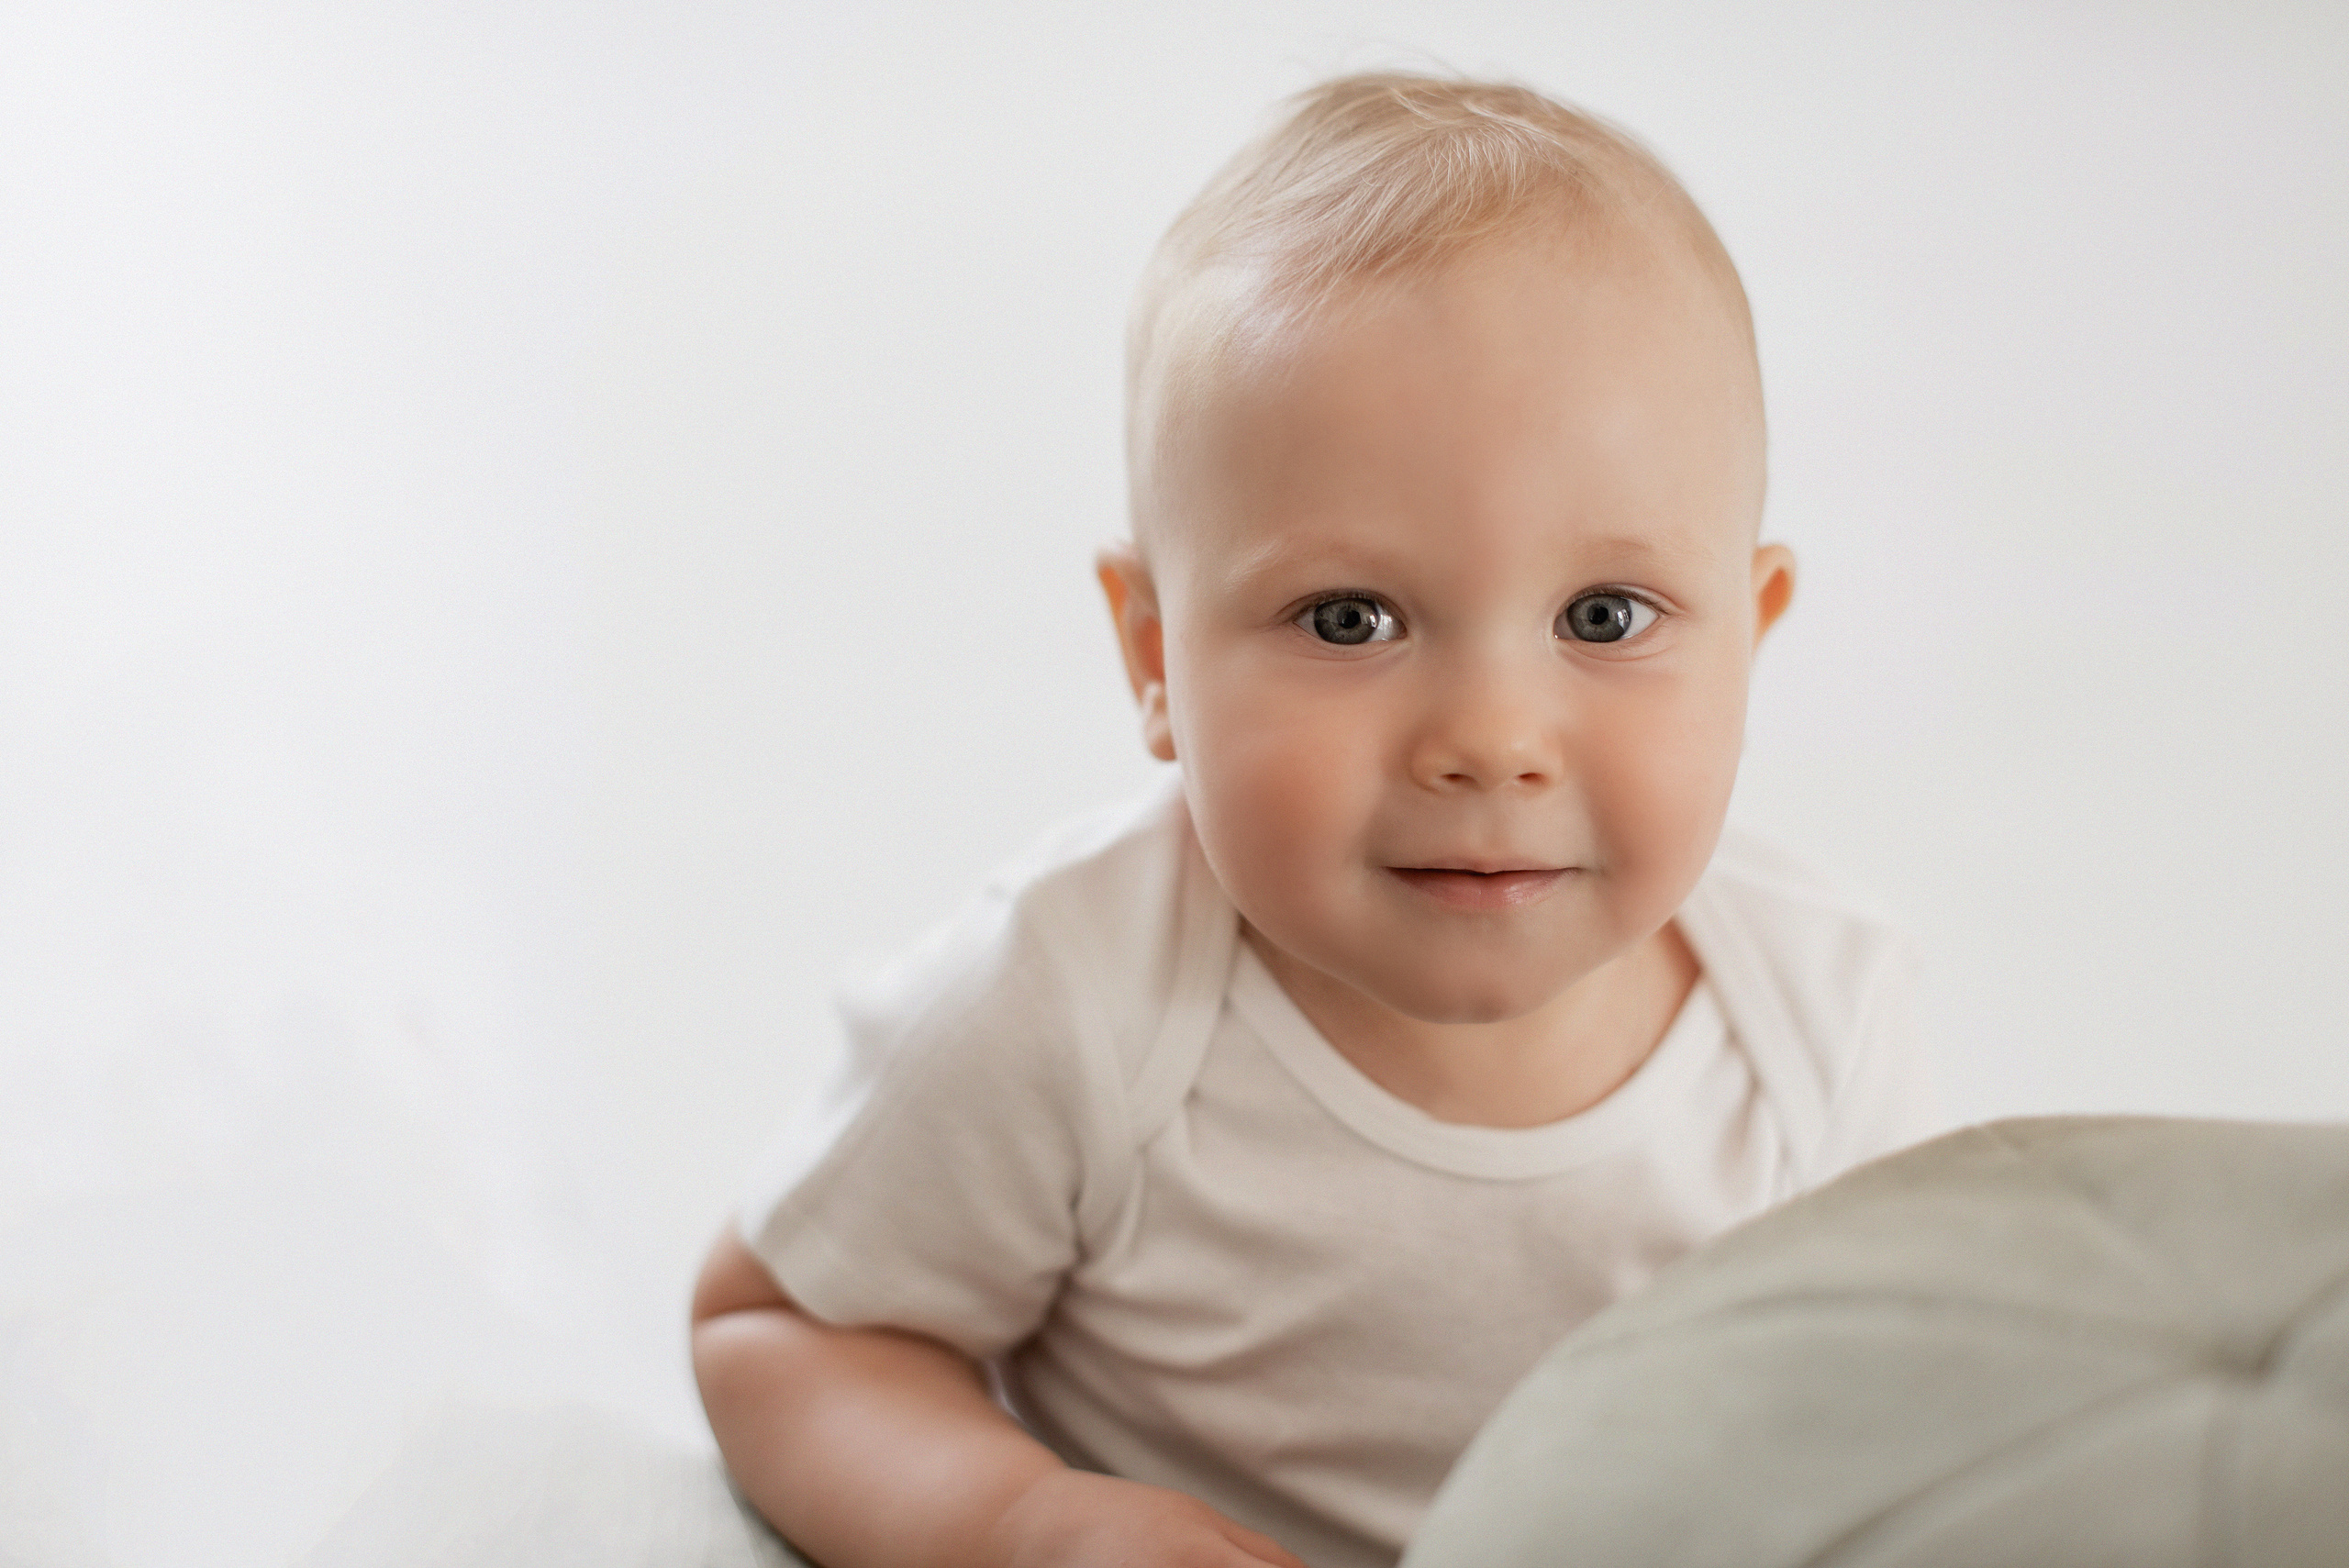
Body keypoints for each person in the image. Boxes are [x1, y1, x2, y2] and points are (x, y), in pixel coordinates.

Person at [690, 72, 1939, 1568]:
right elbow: (777, 1323)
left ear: (1755, 629)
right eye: (1348, 617)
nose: (1488, 740)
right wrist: (1027, 1521)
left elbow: (1923, 1430)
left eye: (1604, 614)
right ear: (1155, 655)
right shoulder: (1081, 996)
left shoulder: (1818, 1031)